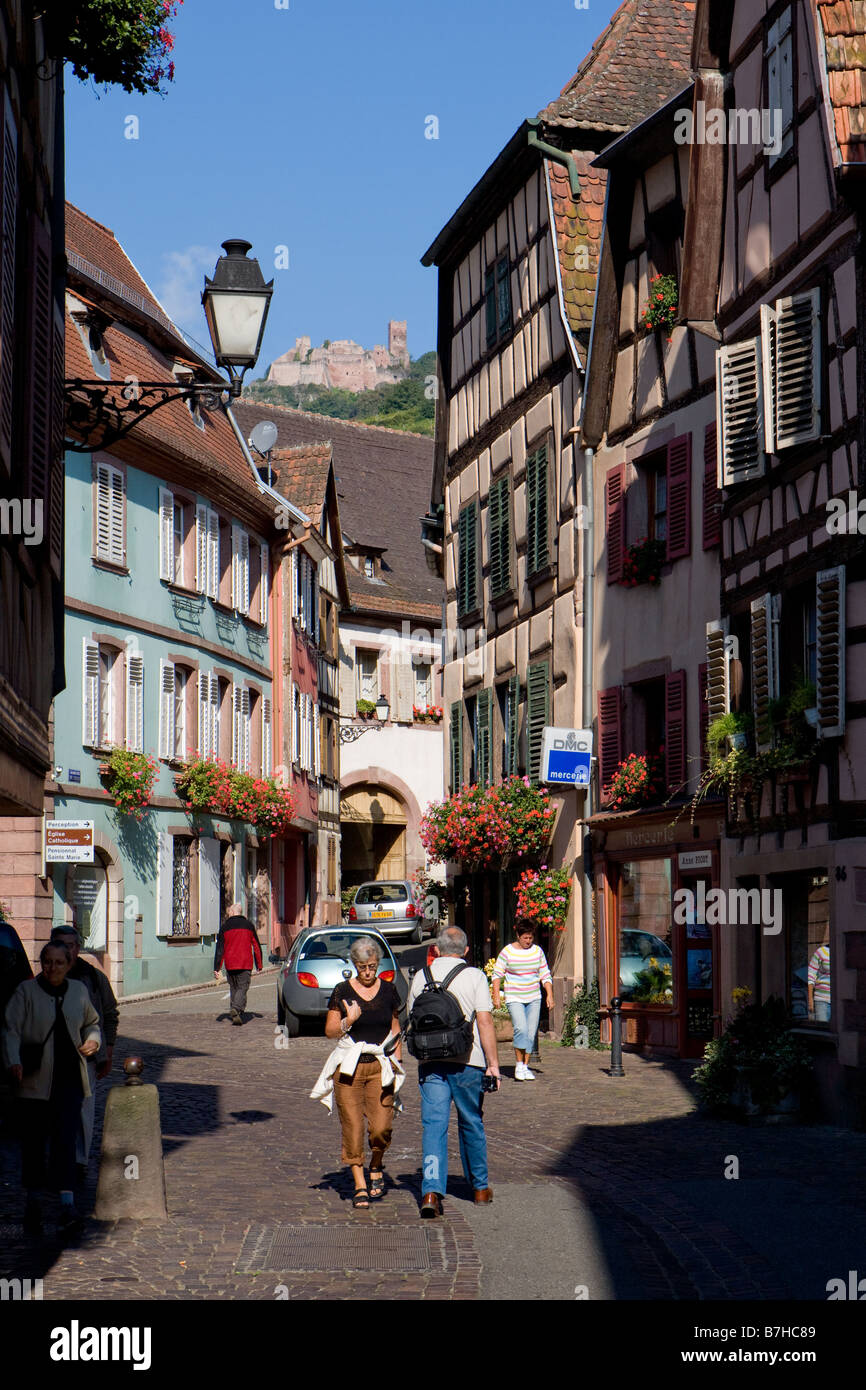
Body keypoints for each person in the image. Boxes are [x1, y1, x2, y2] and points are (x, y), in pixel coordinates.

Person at [2, 942, 100, 1235]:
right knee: (33, 1144)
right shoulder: (26, 992)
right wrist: (13, 1061)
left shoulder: (78, 992)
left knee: (65, 1143)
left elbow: (91, 1023)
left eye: (59, 962)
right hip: (33, 1081)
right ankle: (33, 1201)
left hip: (68, 1081)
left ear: (68, 964)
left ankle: (67, 1204)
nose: (52, 968)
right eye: (47, 962)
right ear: (41, 963)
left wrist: (93, 1040)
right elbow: (10, 1029)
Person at [409, 926, 501, 1219]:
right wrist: (493, 1064)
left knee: (434, 1127)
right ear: (465, 950)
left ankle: (431, 1192)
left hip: (430, 1062)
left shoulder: (421, 976)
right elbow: (485, 1022)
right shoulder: (474, 976)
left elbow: (413, 1019)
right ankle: (480, 1188)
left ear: (435, 949)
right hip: (467, 1061)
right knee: (471, 1122)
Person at [313, 936, 404, 1210]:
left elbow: (395, 1025)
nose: (368, 973)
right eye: (363, 967)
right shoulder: (343, 991)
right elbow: (330, 1032)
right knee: (353, 1128)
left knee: (381, 1127)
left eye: (373, 966)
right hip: (348, 1069)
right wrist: (347, 1021)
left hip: (379, 1066)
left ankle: (376, 1163)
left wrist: (398, 1059)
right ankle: (360, 1184)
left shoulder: (388, 991)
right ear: (354, 965)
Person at [50, 926, 119, 1176]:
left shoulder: (92, 977)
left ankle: (78, 1160)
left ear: (78, 948)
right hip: (51, 1056)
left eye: (71, 945)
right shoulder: (42, 979)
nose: (67, 949)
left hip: (84, 1055)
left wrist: (107, 1050)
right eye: (61, 944)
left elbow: (108, 1014)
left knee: (83, 1109)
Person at [491, 918, 553, 1081]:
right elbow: (497, 973)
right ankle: (519, 1064)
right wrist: (496, 995)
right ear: (518, 936)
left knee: (531, 1033)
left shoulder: (537, 951)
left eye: (530, 938)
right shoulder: (508, 951)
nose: (528, 941)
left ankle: (525, 1067)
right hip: (514, 997)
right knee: (521, 1029)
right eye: (525, 937)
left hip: (534, 997)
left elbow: (545, 974)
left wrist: (550, 995)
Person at [214, 904, 262, 1024]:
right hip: (245, 963)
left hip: (230, 963)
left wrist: (217, 967)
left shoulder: (225, 927)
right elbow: (256, 945)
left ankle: (237, 1013)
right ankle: (236, 1008)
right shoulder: (249, 926)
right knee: (242, 987)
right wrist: (259, 964)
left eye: (229, 911)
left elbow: (220, 949)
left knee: (234, 988)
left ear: (232, 912)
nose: (228, 914)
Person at [807, 942, 831, 1023]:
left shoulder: (843, 951)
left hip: (839, 1001)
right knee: (822, 1030)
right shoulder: (821, 952)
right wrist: (810, 1001)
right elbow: (811, 975)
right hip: (822, 1000)